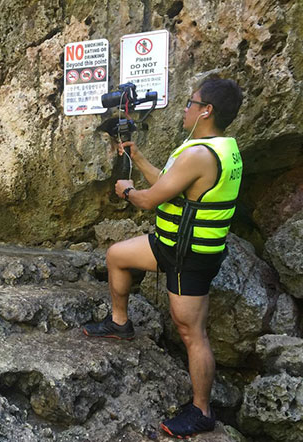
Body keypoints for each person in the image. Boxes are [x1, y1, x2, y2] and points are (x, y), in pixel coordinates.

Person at [82, 76, 243, 438]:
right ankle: (120, 323)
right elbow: (167, 184)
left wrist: (127, 192)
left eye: (190, 103)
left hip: (189, 256)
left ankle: (202, 411)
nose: (186, 109)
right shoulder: (217, 148)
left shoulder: (200, 154)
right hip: (170, 244)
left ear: (207, 111)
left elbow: (150, 199)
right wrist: (136, 155)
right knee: (117, 255)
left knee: (191, 332)